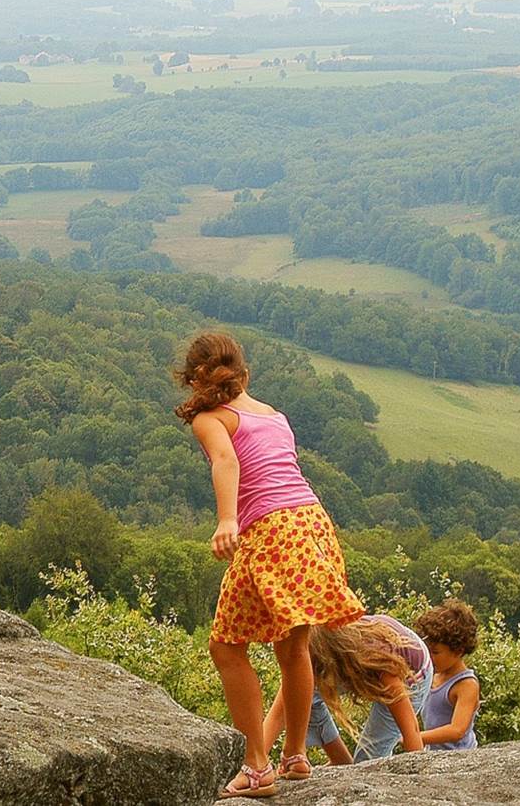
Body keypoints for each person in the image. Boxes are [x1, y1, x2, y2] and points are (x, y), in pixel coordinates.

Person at [178, 331, 366, 798]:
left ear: (196, 377)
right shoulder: (274, 415)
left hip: (271, 530)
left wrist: (226, 520)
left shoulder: (210, 418)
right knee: (294, 647)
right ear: (243, 371)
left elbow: (226, 462)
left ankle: (257, 767)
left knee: (226, 647)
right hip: (311, 522)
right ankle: (296, 757)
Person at [260, 614, 430, 775]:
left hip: (412, 674)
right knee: (300, 696)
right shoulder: (310, 658)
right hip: (346, 658)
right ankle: (341, 760)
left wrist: (420, 779)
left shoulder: (379, 665)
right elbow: (277, 715)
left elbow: (410, 729)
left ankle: (354, 766)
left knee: (367, 759)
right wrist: (257, 763)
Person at [415, 599, 483, 751]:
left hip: (459, 758)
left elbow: (457, 730)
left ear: (458, 651)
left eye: (436, 652)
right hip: (433, 754)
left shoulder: (466, 684)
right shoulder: (432, 676)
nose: (429, 656)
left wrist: (416, 737)